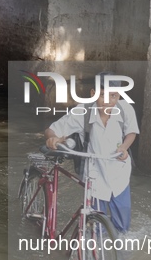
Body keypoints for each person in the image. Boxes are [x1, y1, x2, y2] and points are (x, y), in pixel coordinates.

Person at [44, 74, 139, 233]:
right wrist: (52, 139)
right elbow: (52, 129)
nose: (108, 101)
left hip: (119, 173)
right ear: (93, 93)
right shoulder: (83, 111)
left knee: (123, 228)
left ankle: (117, 254)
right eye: (102, 95)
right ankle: (94, 254)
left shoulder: (125, 109)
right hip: (95, 176)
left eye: (113, 96)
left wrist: (124, 147)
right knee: (96, 228)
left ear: (119, 95)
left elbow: (132, 132)